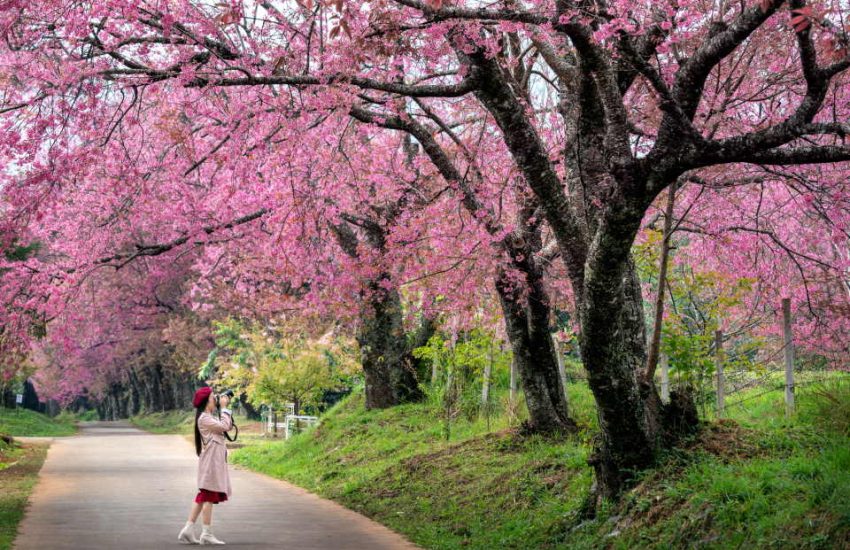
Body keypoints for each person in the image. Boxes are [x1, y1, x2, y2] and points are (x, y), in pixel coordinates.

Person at [178, 387, 233, 545]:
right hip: (210, 463)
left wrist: (224, 409)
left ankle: (188, 529)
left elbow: (225, 425)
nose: (215, 399)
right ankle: (206, 533)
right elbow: (225, 426)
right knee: (208, 495)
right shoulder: (204, 418)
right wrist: (224, 408)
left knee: (203, 496)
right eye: (212, 397)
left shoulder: (207, 416)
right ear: (206, 402)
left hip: (212, 461)